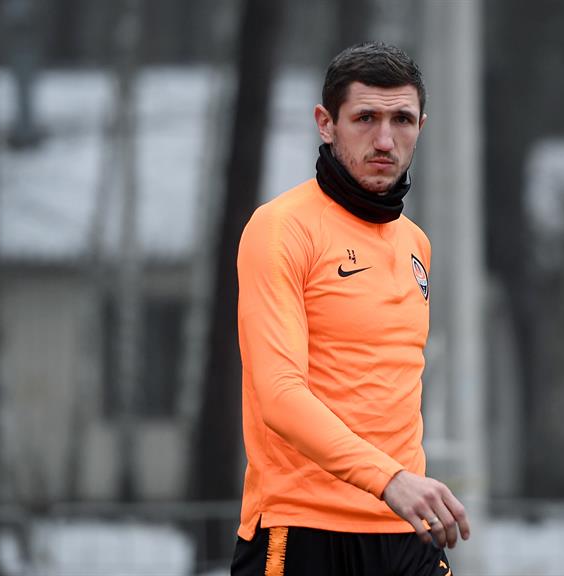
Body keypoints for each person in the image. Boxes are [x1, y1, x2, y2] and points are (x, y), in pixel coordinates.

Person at [230, 42, 469, 576]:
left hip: (406, 529)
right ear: (326, 123)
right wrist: (389, 479)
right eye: (365, 118)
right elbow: (280, 396)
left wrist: (401, 485)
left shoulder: (416, 243)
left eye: (401, 119)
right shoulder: (281, 228)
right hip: (305, 530)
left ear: (421, 127)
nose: (384, 140)